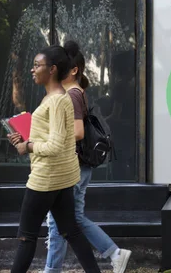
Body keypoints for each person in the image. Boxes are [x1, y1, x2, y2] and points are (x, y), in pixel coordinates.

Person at [7, 45, 101, 273]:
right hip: (61, 177)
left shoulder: (58, 100)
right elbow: (55, 136)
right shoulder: (55, 97)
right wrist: (26, 136)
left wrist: (27, 146)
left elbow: (57, 145)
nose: (32, 69)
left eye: (37, 65)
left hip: (46, 178)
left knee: (26, 238)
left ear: (52, 70)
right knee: (71, 231)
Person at [44, 41, 132, 273]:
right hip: (80, 166)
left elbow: (78, 132)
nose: (55, 71)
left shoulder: (72, 95)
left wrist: (48, 139)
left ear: (73, 70)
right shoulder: (77, 92)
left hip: (72, 166)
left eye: (60, 67)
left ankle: (51, 270)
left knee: (57, 222)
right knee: (74, 218)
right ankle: (115, 252)